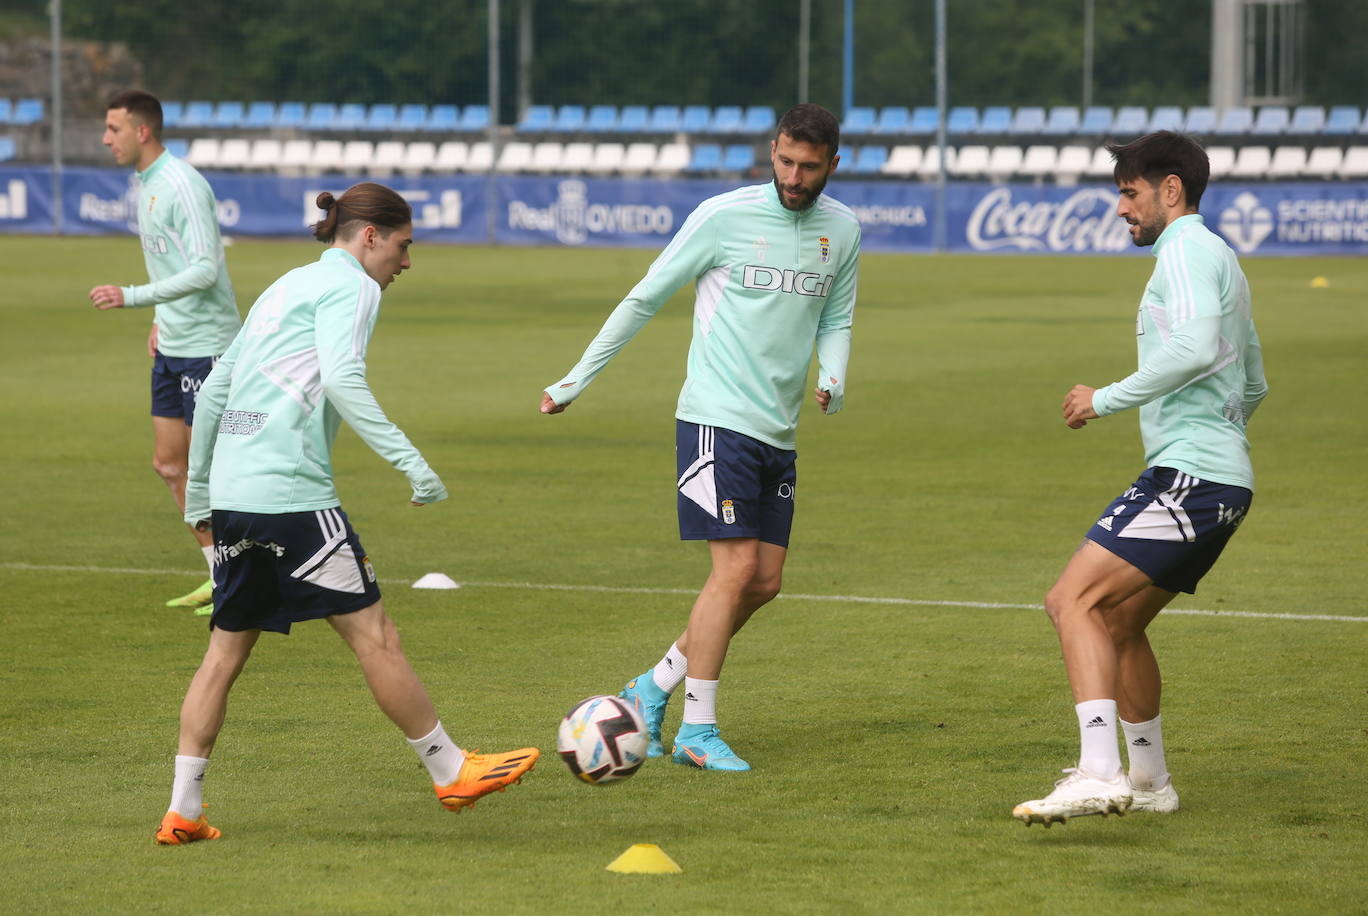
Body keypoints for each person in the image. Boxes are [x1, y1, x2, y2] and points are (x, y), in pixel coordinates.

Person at [155, 182, 537, 845]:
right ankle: (450, 770)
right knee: (375, 635)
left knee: (223, 655)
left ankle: (183, 810)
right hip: (293, 499)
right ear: (368, 237)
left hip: (237, 500)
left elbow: (216, 388)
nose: (406, 263)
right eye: (403, 245)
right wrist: (412, 462)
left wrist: (198, 496)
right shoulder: (354, 287)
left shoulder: (284, 285)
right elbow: (342, 378)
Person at [541, 104, 861, 772]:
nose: (794, 178)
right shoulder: (724, 216)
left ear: (834, 163)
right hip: (716, 418)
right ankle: (698, 729)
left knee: (764, 582)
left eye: (808, 167)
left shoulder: (843, 230)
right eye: (784, 161)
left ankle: (651, 688)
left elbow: (836, 314)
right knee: (735, 569)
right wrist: (576, 379)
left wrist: (833, 374)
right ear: (771, 150)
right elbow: (644, 297)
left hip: (779, 428)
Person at [1013, 131, 1268, 827]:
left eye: (1130, 193)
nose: (1122, 208)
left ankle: (1098, 771)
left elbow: (1190, 348)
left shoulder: (1184, 249)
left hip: (1195, 475)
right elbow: (1254, 382)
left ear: (1170, 190)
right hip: (1218, 477)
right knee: (1119, 623)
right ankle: (1150, 780)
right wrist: (1219, 439)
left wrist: (1107, 397)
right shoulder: (1223, 259)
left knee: (1072, 601)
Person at [90, 89, 241, 614]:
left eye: (114, 128)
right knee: (169, 465)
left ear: (142, 131)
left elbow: (204, 268)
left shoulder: (181, 184)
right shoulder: (145, 183)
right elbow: (170, 263)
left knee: (209, 473)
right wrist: (159, 317)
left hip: (208, 348)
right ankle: (219, 574)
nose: (106, 138)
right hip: (172, 345)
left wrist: (132, 298)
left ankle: (252, 578)